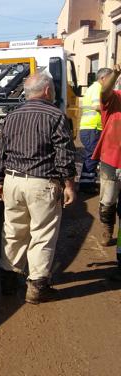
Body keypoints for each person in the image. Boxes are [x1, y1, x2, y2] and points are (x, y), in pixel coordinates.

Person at [0, 73, 77, 304]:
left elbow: (1, 152)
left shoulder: (12, 116)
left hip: (13, 181)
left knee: (13, 230)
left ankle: (9, 281)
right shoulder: (56, 116)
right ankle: (37, 286)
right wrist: (69, 184)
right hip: (42, 183)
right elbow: (64, 154)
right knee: (41, 234)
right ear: (47, 91)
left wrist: (0, 180)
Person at [92, 64, 121, 280]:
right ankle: (106, 228)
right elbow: (104, 91)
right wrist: (116, 73)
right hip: (111, 160)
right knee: (108, 201)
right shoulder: (114, 98)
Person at [79, 68, 113, 192]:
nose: (112, 82)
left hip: (90, 128)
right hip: (92, 128)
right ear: (103, 78)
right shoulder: (98, 88)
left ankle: (87, 183)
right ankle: (87, 186)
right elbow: (96, 105)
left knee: (91, 156)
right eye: (110, 79)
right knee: (92, 157)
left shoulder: (93, 87)